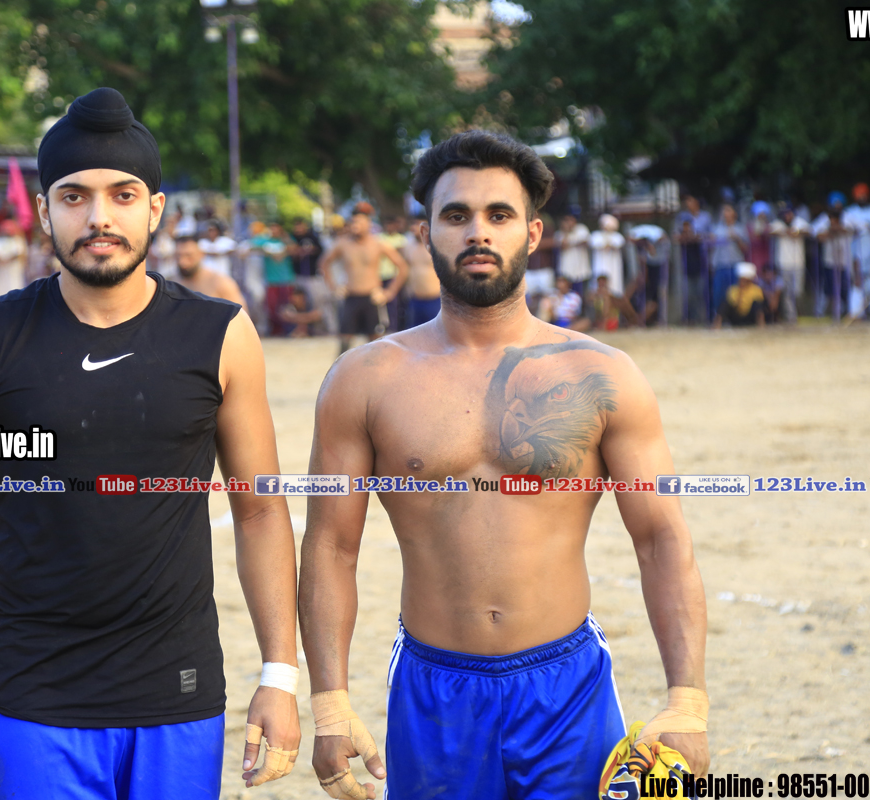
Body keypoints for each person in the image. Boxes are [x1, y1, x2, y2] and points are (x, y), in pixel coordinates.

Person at [0, 87, 301, 800]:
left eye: (123, 195)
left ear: (155, 208)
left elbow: (260, 510)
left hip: (181, 697)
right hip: (34, 700)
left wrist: (280, 675)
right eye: (74, 196)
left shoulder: (221, 334)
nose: (99, 216)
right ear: (44, 210)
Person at [298, 130, 709, 800]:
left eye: (499, 214)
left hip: (567, 688)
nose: (478, 232)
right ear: (425, 233)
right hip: (433, 690)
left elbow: (661, 538)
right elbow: (331, 545)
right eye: (456, 215)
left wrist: (687, 699)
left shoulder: (601, 375)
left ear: (533, 232)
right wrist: (330, 704)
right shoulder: (365, 379)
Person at [318, 210, 408, 354]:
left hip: (372, 298)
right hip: (351, 297)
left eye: (359, 222)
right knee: (344, 339)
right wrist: (334, 287)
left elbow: (402, 267)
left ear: (368, 224)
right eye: (353, 222)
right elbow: (324, 263)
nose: (355, 225)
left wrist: (389, 292)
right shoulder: (343, 244)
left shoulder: (378, 244)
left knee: (375, 342)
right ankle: (342, 367)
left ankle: (377, 367)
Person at [174, 234, 247, 310]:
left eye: (189, 256)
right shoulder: (171, 282)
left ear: (201, 254)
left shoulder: (221, 283)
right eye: (178, 256)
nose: (182, 262)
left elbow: (242, 315)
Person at [811, 193, 851, 317]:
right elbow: (815, 233)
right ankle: (821, 312)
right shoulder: (824, 219)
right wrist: (830, 232)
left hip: (844, 261)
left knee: (843, 288)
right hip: (829, 261)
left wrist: (838, 229)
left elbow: (853, 229)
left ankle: (843, 312)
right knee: (828, 288)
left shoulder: (848, 217)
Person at [769, 205, 810, 323]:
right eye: (785, 214)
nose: (787, 216)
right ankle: (791, 317)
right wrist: (784, 232)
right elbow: (768, 231)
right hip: (783, 263)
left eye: (789, 214)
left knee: (797, 291)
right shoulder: (778, 223)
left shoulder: (799, 222)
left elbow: (809, 231)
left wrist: (797, 232)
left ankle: (799, 312)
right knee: (787, 292)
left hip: (798, 263)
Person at [255, 221, 297, 335]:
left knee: (287, 305)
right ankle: (275, 329)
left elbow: (294, 249)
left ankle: (288, 329)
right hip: (271, 280)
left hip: (286, 279)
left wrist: (285, 242)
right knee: (272, 306)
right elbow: (252, 246)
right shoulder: (265, 241)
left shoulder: (286, 240)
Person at [290, 217, 330, 332]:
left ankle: (319, 328)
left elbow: (321, 252)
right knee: (299, 302)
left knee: (316, 302)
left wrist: (310, 250)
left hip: (312, 276)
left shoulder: (313, 237)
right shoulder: (292, 238)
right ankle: (301, 328)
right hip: (298, 275)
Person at [401, 216, 441, 327]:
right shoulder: (408, 246)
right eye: (412, 224)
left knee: (437, 332)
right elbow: (405, 269)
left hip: (436, 300)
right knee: (414, 333)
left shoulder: (437, 247)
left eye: (417, 224)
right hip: (414, 300)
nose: (413, 227)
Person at [713, 262, 764, 328]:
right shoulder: (733, 289)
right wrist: (740, 292)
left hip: (751, 317)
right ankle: (716, 324)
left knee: (757, 303)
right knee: (725, 303)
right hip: (736, 317)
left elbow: (759, 307)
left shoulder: (756, 289)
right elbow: (734, 305)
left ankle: (761, 325)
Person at [0, 218, 29, 296]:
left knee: (16, 289)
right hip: (1, 272)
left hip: (14, 271)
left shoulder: (18, 241)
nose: (6, 232)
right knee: (2, 291)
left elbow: (21, 254)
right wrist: (0, 260)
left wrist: (8, 260)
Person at [554, 213, 592, 292]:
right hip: (566, 272)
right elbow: (563, 246)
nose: (569, 222)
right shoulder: (559, 233)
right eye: (566, 220)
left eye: (570, 220)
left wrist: (571, 243)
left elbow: (586, 243)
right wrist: (566, 232)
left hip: (581, 271)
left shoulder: (582, 229)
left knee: (580, 294)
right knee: (567, 295)